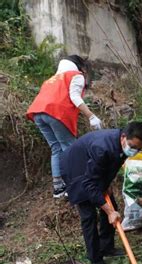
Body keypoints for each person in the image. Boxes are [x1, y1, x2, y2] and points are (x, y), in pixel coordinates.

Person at [60, 121, 142, 264]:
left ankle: (107, 247)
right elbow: (89, 184)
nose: (135, 151)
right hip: (75, 169)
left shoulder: (122, 145)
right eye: (133, 146)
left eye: (139, 149)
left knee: (111, 205)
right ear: (123, 137)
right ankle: (95, 258)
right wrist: (109, 211)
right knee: (89, 215)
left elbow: (111, 166)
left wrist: (106, 183)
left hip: (92, 167)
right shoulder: (102, 148)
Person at [26, 55, 102, 198]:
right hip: (55, 113)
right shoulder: (76, 75)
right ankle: (76, 183)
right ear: (80, 67)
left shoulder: (50, 80)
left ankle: (58, 187)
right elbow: (75, 97)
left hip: (38, 113)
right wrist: (91, 116)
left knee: (56, 148)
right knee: (71, 148)